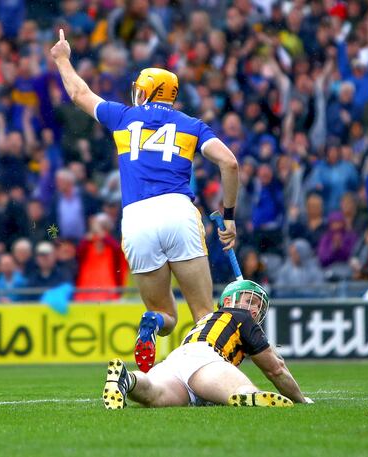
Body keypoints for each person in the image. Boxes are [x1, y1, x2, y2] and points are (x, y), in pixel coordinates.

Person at [50, 30, 239, 372]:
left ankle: (151, 323)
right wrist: (229, 216)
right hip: (178, 211)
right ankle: (213, 377)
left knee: (165, 313)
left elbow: (78, 93)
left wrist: (62, 58)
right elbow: (229, 163)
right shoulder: (191, 125)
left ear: (145, 91)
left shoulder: (122, 117)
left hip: (136, 218)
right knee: (203, 314)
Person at [102, 280, 312, 409]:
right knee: (243, 391)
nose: (254, 309)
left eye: (258, 306)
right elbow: (276, 369)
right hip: (206, 360)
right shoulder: (242, 317)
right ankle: (249, 395)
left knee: (152, 393)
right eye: (250, 301)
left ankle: (126, 380)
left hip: (176, 360)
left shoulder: (210, 318)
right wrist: (301, 400)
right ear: (229, 301)